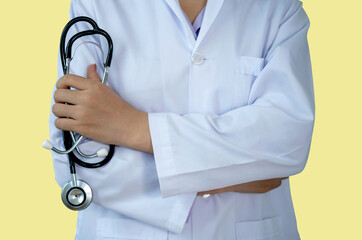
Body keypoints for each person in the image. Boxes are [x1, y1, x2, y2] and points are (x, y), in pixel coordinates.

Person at [49, 0, 315, 239]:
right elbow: (75, 162)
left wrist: (133, 128)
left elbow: (288, 142)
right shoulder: (96, 5)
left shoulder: (278, 9)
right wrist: (234, 175)